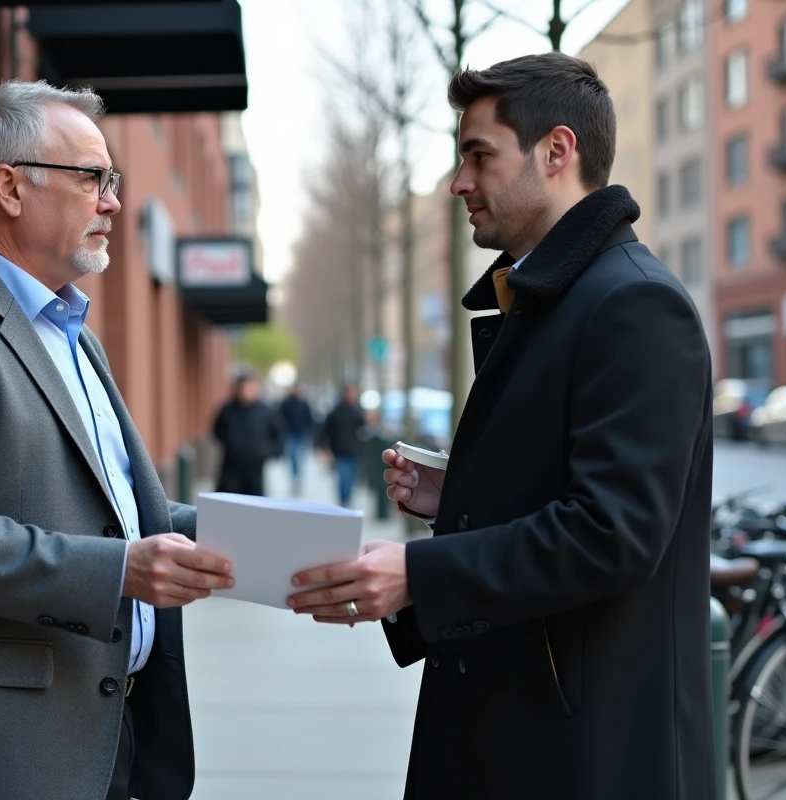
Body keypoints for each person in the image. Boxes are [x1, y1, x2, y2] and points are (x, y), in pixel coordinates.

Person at [287, 53, 714, 799]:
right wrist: (463, 495)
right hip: (530, 737)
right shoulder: (558, 297)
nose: (459, 182)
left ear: (557, 152)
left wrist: (417, 573)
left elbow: (612, 534)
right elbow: (572, 486)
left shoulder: (635, 306)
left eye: (477, 155)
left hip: (584, 756)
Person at [0, 79, 235, 800]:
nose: (112, 202)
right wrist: (121, 571)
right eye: (92, 178)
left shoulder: (76, 340)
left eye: (112, 181)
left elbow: (121, 514)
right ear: (11, 188)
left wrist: (265, 536)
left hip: (114, 734)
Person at [212, 372, 284, 496]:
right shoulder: (228, 409)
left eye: (250, 388)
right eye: (243, 388)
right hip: (231, 468)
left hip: (255, 470)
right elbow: (217, 430)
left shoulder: (265, 411)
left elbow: (279, 435)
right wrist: (230, 444)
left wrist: (267, 451)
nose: (246, 391)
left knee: (254, 506)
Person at [318, 384, 366, 507]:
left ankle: (347, 500)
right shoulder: (335, 412)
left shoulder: (358, 411)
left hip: (355, 452)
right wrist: (325, 450)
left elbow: (364, 427)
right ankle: (344, 502)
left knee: (351, 480)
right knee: (343, 480)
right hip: (340, 452)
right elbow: (325, 432)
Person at [278, 381, 315, 491]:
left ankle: (298, 476)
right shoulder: (287, 403)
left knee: (300, 456)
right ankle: (295, 477)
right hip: (290, 433)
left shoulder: (304, 403)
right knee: (293, 456)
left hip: (301, 434)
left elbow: (309, 418)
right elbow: (280, 417)